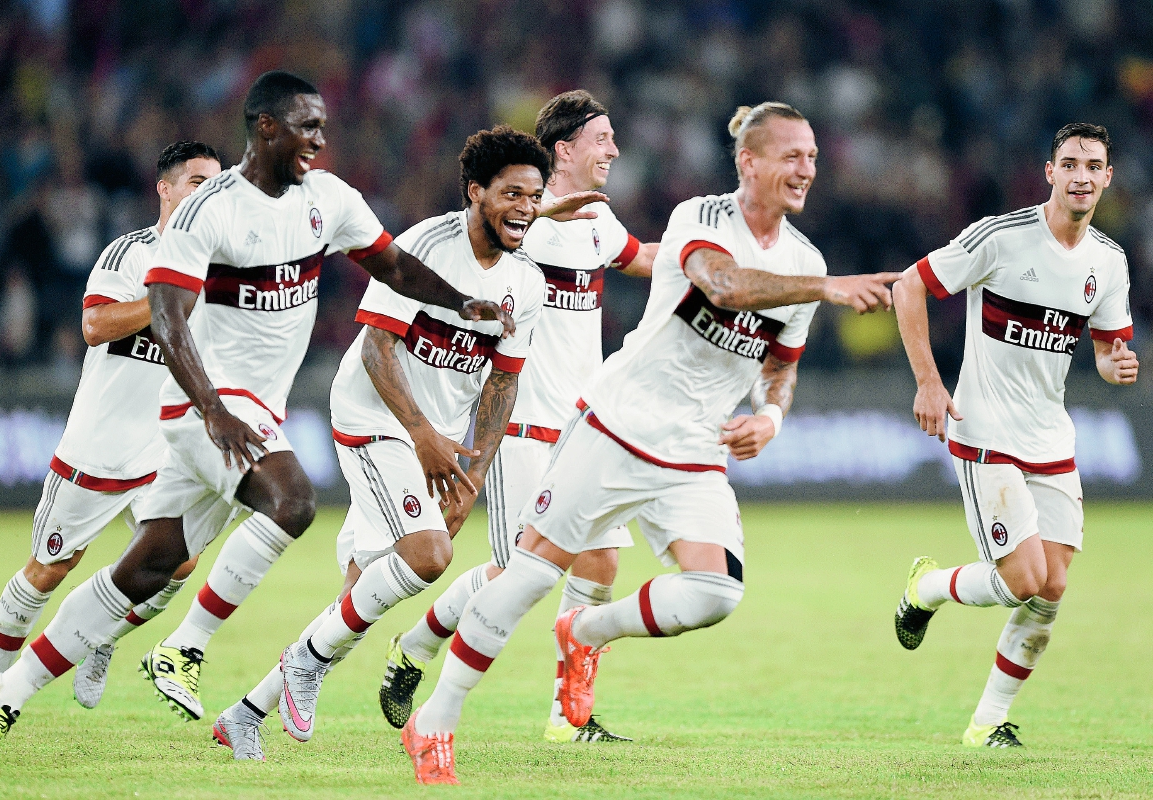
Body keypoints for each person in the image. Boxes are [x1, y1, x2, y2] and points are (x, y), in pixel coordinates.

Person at [0, 70, 512, 776]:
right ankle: (227, 653)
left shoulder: (328, 200)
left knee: (146, 570)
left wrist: (464, 304)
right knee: (294, 500)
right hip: (206, 411)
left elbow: (396, 266)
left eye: (323, 126)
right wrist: (212, 408)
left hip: (250, 413)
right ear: (265, 129)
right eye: (305, 125)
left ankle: (3, 693)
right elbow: (164, 314)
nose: (319, 138)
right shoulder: (208, 212)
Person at [399, 102, 899, 785]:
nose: (806, 167)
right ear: (749, 162)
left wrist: (771, 417)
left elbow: (780, 368)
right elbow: (723, 285)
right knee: (532, 573)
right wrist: (828, 286)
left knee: (715, 591)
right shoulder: (703, 218)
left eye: (812, 155)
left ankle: (584, 633)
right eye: (792, 154)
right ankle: (435, 718)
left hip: (695, 448)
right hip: (617, 423)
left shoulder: (805, 261)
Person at [211, 125, 547, 761]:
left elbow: (503, 384)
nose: (525, 208)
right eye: (511, 193)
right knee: (428, 555)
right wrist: (420, 434)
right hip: (376, 414)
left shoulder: (526, 282)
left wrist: (472, 474)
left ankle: (244, 713)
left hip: (438, 436)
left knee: (360, 594)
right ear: (477, 192)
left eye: (534, 195)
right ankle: (302, 664)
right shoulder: (426, 246)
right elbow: (376, 345)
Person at [379, 90, 657, 745]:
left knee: (600, 565)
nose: (614, 151)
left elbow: (646, 259)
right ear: (565, 149)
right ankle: (418, 646)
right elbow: (468, 241)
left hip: (587, 423)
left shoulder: (597, 223)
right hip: (524, 419)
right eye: (603, 139)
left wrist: (713, 263)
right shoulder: (516, 224)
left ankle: (568, 718)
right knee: (522, 570)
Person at [892, 122, 1137, 748]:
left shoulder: (1108, 262)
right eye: (1071, 164)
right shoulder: (1002, 238)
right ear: (1049, 173)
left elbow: (1108, 350)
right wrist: (927, 382)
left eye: (1094, 166)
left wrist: (1116, 366)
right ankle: (927, 588)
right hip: (985, 430)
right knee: (1023, 581)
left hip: (1051, 436)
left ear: (1108, 178)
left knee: (1051, 589)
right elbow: (909, 285)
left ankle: (987, 724)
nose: (1082, 176)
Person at [0, 141, 221, 710]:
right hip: (100, 447)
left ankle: (101, 637)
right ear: (165, 188)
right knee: (49, 570)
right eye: (195, 182)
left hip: (165, 450)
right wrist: (167, 301)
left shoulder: (221, 271)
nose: (205, 194)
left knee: (175, 562)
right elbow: (94, 325)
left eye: (215, 184)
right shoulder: (132, 253)